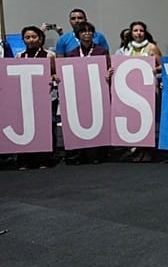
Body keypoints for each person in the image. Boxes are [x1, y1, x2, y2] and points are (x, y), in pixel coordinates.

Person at [64, 21, 111, 165]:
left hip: (98, 91)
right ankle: (81, 154)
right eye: (83, 31)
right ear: (78, 35)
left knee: (100, 120)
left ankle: (100, 154)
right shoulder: (72, 54)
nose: (87, 34)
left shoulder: (101, 51)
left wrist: (109, 73)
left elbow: (109, 67)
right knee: (82, 120)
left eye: (89, 31)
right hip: (80, 93)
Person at [15, 26, 58, 170]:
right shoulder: (20, 56)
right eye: (27, 37)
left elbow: (54, 73)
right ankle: (26, 159)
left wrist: (53, 77)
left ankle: (46, 158)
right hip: (25, 96)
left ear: (40, 38)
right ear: (23, 40)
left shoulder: (49, 55)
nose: (31, 40)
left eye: (34, 37)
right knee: (26, 126)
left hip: (46, 96)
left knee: (46, 125)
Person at [120, 21, 163, 163]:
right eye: (135, 30)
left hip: (148, 88)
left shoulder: (152, 47)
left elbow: (162, 66)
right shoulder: (125, 49)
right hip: (130, 90)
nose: (138, 33)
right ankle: (136, 149)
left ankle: (147, 151)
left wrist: (151, 69)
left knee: (147, 119)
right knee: (134, 120)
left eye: (141, 30)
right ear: (131, 33)